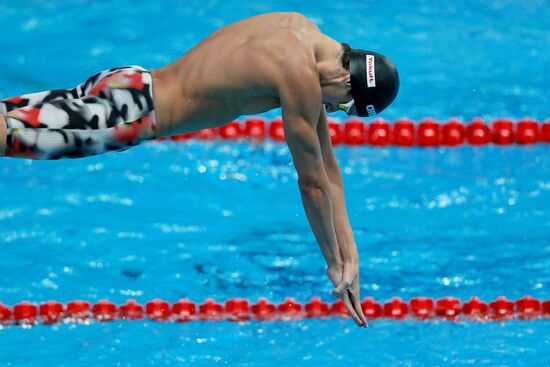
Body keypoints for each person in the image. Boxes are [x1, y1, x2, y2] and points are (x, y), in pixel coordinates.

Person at [0, 12, 399, 327]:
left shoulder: (298, 29)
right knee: (7, 138)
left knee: (8, 117)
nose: (331, 112)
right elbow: (312, 182)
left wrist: (351, 257)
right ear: (348, 80)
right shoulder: (299, 76)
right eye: (344, 107)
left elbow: (328, 167)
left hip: (129, 84)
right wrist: (331, 260)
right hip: (131, 116)